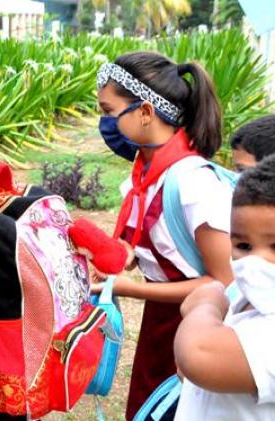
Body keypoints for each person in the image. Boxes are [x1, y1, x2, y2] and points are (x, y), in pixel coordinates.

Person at [94, 52, 234, 420]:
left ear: (145, 112)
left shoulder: (194, 185)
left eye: (109, 112)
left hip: (199, 326)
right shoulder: (145, 174)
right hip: (161, 325)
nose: (104, 123)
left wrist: (125, 287)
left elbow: (223, 284)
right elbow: (141, 247)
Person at [174, 155, 275, 420]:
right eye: (243, 246)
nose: (257, 261)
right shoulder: (245, 295)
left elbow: (197, 354)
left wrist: (206, 304)